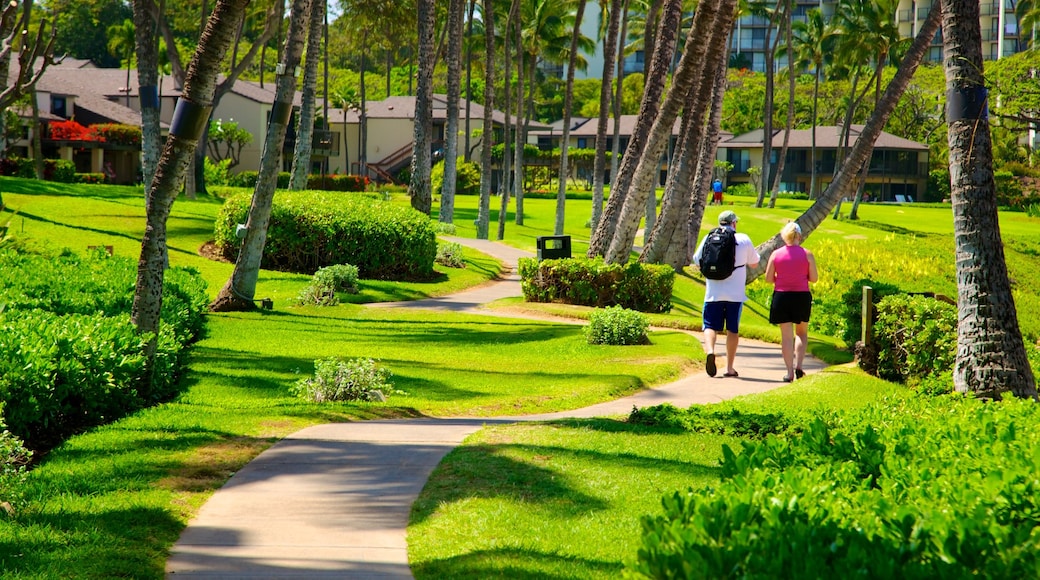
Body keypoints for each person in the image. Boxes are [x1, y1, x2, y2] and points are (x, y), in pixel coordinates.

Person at [692, 210, 760, 378]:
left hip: (713, 293)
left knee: (709, 326)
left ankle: (710, 351)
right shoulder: (743, 239)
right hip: (735, 295)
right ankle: (729, 368)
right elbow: (754, 263)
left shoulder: (710, 237)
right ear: (734, 223)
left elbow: (696, 258)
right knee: (732, 330)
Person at [764, 222, 819, 382]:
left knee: (786, 337)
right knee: (801, 333)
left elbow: (768, 279)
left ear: (784, 236)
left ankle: (789, 372)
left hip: (781, 296)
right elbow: (814, 278)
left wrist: (781, 278)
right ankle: (799, 366)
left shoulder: (776, 254)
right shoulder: (807, 254)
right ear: (799, 236)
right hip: (801, 296)